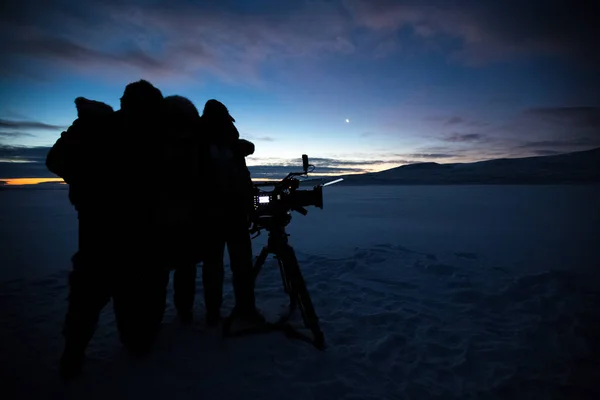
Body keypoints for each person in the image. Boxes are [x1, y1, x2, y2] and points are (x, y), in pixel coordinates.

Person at [47, 80, 167, 379]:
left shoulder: (107, 129)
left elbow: (57, 161)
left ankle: (76, 353)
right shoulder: (143, 135)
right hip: (121, 232)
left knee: (94, 295)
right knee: (117, 293)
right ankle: (117, 346)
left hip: (108, 231)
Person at [198, 99, 262, 326]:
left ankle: (218, 312)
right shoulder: (208, 143)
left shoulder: (203, 140)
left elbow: (242, 175)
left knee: (217, 266)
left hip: (218, 214)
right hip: (223, 213)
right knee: (235, 265)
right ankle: (243, 309)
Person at [154, 95, 204, 324]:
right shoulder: (153, 146)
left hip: (188, 220)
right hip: (160, 222)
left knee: (185, 270)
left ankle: (183, 311)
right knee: (161, 271)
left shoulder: (194, 147)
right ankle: (155, 316)